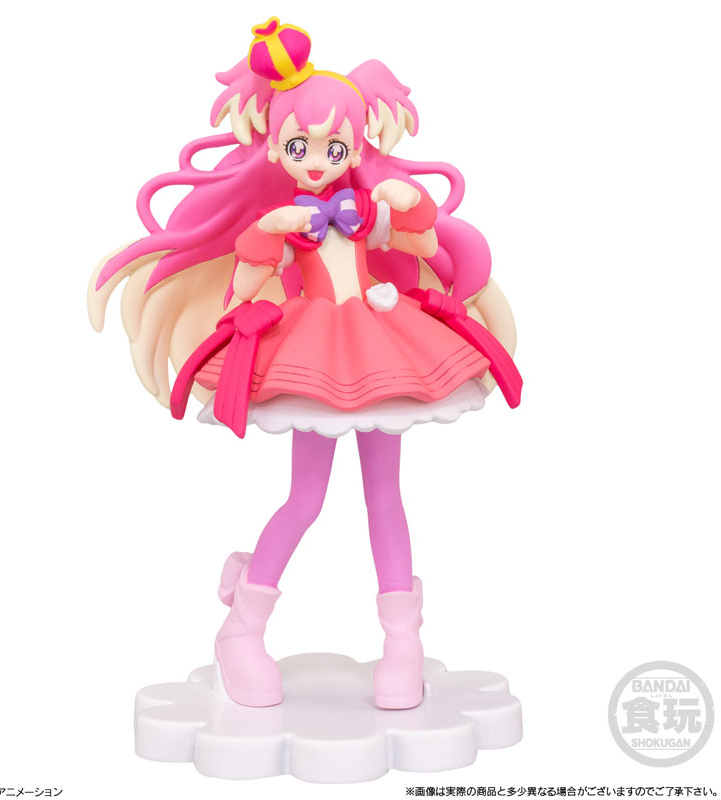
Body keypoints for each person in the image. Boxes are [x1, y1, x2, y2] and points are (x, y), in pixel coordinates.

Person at [88, 17, 521, 711]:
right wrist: (264, 250)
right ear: (275, 147)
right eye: (300, 146)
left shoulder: (364, 209)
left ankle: (402, 643)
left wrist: (411, 207)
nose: (317, 160)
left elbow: (419, 242)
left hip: (381, 344)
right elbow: (243, 289)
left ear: (357, 145)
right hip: (314, 353)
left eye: (333, 146)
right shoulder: (283, 224)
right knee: (307, 498)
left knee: (386, 495)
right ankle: (242, 628)